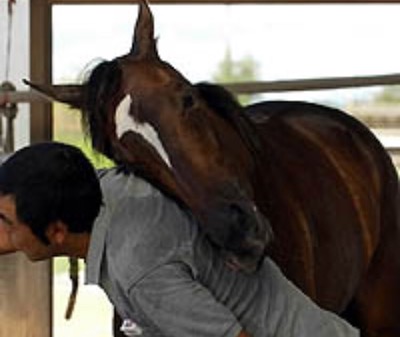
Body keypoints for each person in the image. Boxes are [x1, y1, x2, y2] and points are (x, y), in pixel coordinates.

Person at [0, 142, 359, 337]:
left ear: (57, 232)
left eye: (7, 222)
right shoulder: (100, 188)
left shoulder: (141, 275)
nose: (3, 231)